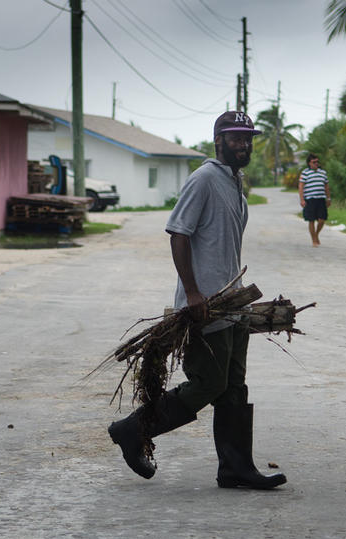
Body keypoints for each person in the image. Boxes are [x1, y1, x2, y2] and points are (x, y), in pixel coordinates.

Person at [108, 111, 287, 490]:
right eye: (236, 137)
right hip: (206, 305)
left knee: (234, 387)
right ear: (218, 140)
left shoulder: (236, 181)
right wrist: (192, 292)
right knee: (208, 383)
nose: (244, 144)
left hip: (232, 303)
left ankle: (237, 468)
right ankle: (132, 430)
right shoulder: (204, 179)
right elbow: (178, 233)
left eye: (248, 137)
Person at [299, 153, 331, 246]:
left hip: (321, 199)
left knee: (322, 219)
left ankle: (316, 234)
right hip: (310, 199)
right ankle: (314, 240)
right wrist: (302, 199)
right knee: (311, 220)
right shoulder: (305, 173)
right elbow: (301, 187)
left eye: (317, 162)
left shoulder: (323, 173)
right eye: (314, 162)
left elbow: (326, 187)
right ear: (309, 163)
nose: (316, 164)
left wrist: (328, 198)